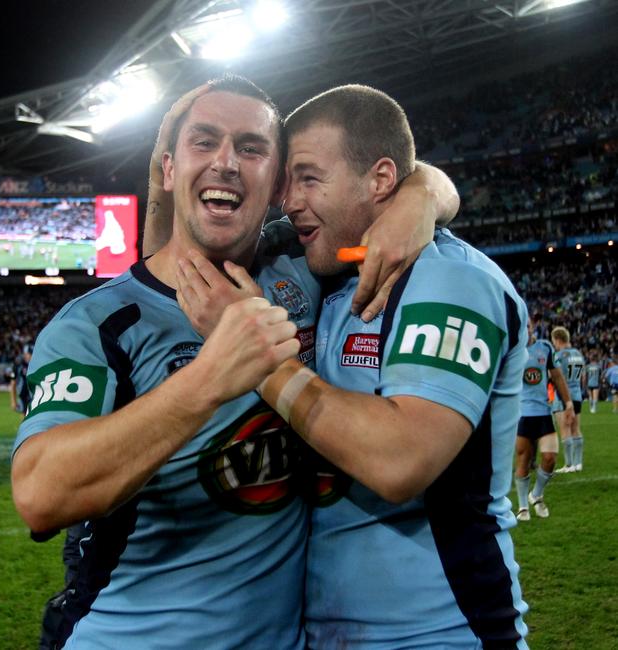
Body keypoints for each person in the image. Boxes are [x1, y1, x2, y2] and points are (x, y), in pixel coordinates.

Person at [12, 75, 457, 650]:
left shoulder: (301, 262)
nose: (226, 162)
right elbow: (40, 497)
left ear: (275, 185)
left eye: (250, 148)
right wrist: (209, 376)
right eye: (204, 141)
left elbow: (399, 181)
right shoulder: (96, 325)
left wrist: (420, 197)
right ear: (169, 172)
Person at [181, 85, 529, 648]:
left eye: (309, 178)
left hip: (440, 633)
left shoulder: (452, 280)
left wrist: (253, 353)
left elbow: (400, 461)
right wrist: (428, 189)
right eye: (287, 181)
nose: (287, 200)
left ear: (381, 180)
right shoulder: (321, 271)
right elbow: (176, 239)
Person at [514, 319, 574, 522]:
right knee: (524, 458)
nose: (527, 329)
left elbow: (557, 377)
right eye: (523, 326)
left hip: (542, 412)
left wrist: (568, 403)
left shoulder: (545, 347)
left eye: (529, 326)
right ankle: (523, 506)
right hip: (521, 414)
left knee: (550, 458)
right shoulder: (511, 351)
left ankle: (536, 494)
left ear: (533, 328)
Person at [551, 326, 586, 473]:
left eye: (554, 341)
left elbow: (555, 377)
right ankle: (578, 463)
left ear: (558, 340)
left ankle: (569, 464)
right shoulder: (578, 354)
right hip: (577, 394)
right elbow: (583, 376)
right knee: (576, 428)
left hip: (563, 396)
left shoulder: (559, 355)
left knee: (565, 429)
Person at [9, 343, 33, 415]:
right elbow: (13, 383)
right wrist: (13, 401)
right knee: (24, 415)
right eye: (30, 354)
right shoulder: (18, 363)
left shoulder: (36, 363)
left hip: (34, 393)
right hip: (23, 394)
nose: (32, 356)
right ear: (25, 354)